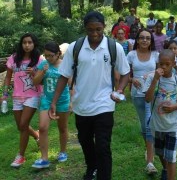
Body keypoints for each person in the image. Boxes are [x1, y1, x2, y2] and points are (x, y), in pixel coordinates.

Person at [48, 11, 130, 180]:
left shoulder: (114, 47)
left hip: (104, 104)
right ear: (85, 28)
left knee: (102, 145)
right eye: (90, 30)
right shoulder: (75, 47)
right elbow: (64, 75)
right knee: (85, 142)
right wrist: (54, 101)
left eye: (98, 29)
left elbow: (125, 73)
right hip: (81, 105)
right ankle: (92, 167)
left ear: (104, 27)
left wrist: (119, 90)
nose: (94, 34)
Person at [143, 49, 177, 180]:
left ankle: (169, 173)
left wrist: (175, 107)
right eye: (161, 64)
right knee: (160, 153)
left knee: (171, 158)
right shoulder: (152, 78)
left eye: (167, 64)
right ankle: (165, 169)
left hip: (173, 127)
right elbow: (147, 99)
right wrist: (155, 80)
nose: (163, 67)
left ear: (173, 64)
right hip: (157, 125)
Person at [2, 33, 43, 167]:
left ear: (34, 44)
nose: (27, 45)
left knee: (23, 124)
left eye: (30, 42)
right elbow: (8, 77)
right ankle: (37, 135)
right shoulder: (14, 59)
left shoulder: (40, 59)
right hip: (17, 96)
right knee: (21, 126)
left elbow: (43, 79)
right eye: (24, 42)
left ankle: (21, 156)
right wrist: (5, 94)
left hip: (33, 95)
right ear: (21, 44)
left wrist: (35, 73)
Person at [31, 41, 71, 169]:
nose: (48, 58)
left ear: (58, 54)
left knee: (62, 128)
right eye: (46, 55)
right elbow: (35, 82)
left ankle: (63, 152)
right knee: (42, 127)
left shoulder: (66, 66)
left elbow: (71, 84)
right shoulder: (44, 64)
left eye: (51, 56)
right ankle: (44, 158)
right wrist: (42, 72)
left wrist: (72, 102)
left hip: (62, 100)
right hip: (46, 100)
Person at [127, 28, 159, 175]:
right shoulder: (131, 55)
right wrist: (132, 79)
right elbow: (123, 73)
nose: (145, 40)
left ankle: (150, 163)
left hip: (154, 94)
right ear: (137, 40)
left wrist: (152, 73)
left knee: (149, 125)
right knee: (144, 125)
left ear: (151, 40)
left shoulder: (156, 55)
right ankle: (149, 149)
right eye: (142, 38)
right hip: (138, 95)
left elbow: (163, 70)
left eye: (147, 38)